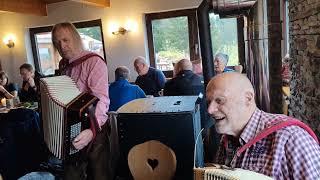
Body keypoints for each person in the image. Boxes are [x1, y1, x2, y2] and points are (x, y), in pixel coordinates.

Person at [206, 72, 320, 179]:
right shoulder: (227, 138)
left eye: (219, 101)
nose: (210, 110)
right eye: (209, 102)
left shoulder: (291, 138)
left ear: (248, 98)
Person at [52, 22, 110, 180]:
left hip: (94, 127)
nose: (62, 46)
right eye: (57, 42)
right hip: (71, 127)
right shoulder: (63, 65)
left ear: (76, 39)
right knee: (71, 174)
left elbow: (101, 100)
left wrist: (92, 131)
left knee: (99, 175)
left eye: (66, 40)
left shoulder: (94, 62)